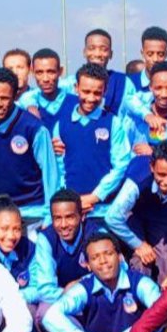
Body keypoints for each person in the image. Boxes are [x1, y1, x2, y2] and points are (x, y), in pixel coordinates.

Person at [105, 139, 167, 286]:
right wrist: (138, 245)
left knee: (166, 261)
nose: (166, 181)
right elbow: (112, 217)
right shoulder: (138, 179)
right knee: (141, 262)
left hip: (162, 215)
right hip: (133, 213)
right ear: (152, 167)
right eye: (161, 174)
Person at [0, 67, 60, 225]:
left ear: (15, 96)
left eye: (4, 98)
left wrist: (50, 216)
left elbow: (50, 174)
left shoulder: (34, 128)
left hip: (33, 211)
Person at [53, 63, 133, 217]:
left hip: (104, 210)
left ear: (105, 91)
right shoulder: (61, 125)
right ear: (76, 88)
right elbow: (59, 168)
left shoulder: (113, 123)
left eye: (97, 93)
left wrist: (95, 196)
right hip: (71, 209)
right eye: (86, 91)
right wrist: (70, 200)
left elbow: (121, 164)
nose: (91, 98)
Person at [0, 197, 62, 326]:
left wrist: (12, 297)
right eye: (4, 228)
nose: (11, 236)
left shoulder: (29, 249)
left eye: (17, 229)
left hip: (20, 307)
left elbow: (40, 288)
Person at [34, 189, 101, 297]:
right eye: (57, 218)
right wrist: (71, 295)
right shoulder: (46, 239)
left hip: (94, 296)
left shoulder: (97, 235)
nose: (63, 225)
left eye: (69, 217)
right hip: (60, 297)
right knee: (43, 307)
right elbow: (46, 289)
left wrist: (81, 284)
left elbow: (116, 272)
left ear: (82, 216)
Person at [18, 48, 72, 129]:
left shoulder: (74, 100)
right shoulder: (25, 106)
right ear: (32, 72)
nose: (45, 79)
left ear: (60, 71)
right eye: (39, 73)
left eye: (51, 72)